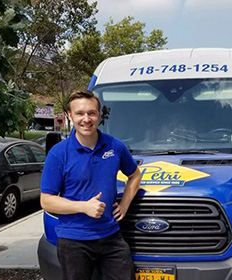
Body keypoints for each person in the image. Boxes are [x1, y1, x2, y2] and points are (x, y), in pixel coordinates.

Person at [40, 90, 141, 280]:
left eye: (91, 113)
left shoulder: (115, 146)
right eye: (79, 113)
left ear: (99, 115)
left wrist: (125, 205)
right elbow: (46, 201)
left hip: (111, 237)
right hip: (74, 241)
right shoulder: (58, 154)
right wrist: (83, 207)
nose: (86, 119)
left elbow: (135, 175)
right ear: (70, 116)